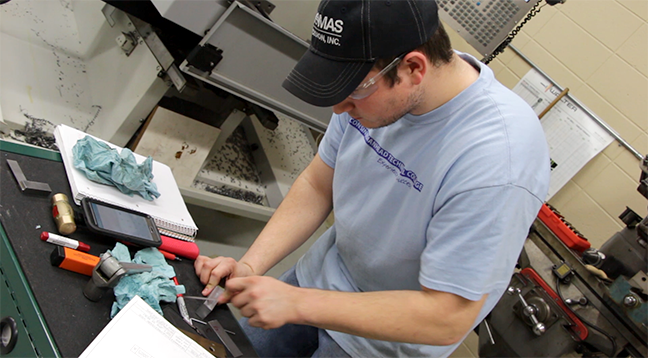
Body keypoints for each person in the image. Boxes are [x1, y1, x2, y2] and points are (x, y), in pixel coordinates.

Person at [194, 0, 550, 356]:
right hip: (315, 283)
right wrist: (249, 266)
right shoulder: (378, 82)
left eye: (354, 90)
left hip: (380, 343)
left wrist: (300, 303)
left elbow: (447, 317)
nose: (338, 107)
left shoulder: (497, 159)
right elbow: (319, 184)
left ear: (414, 68)